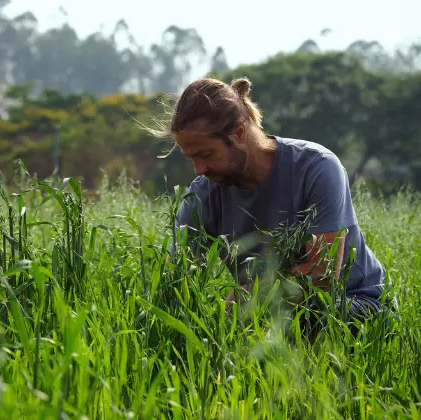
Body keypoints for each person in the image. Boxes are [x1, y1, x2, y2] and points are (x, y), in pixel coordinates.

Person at [150, 76, 396, 332]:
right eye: (191, 158)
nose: (199, 169)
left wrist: (248, 297)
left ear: (239, 132)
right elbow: (175, 282)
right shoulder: (202, 194)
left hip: (354, 305)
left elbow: (321, 277)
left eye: (206, 154)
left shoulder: (317, 167)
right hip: (271, 317)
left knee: (298, 318)